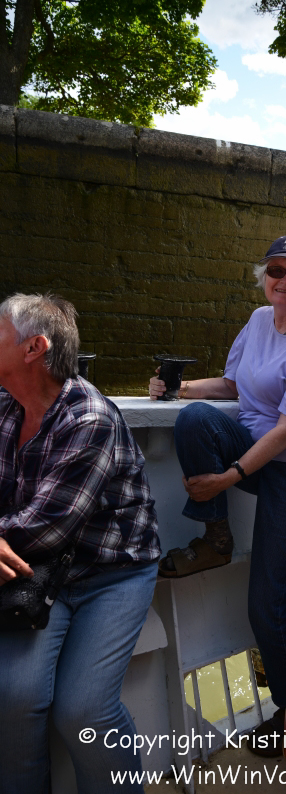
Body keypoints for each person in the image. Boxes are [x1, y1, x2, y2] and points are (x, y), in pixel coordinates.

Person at [150, 234, 286, 756]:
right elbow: (233, 385)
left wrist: (228, 477)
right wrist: (180, 389)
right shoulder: (259, 321)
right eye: (276, 270)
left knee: (266, 600)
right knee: (194, 420)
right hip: (257, 454)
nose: (285, 281)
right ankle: (216, 537)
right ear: (264, 276)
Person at [0, 293, 160, 794]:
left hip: (110, 573)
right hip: (38, 570)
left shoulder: (89, 418)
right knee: (12, 697)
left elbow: (46, 528)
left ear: (34, 348)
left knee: (84, 710)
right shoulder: (5, 404)